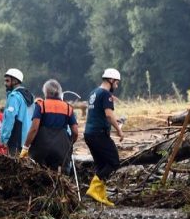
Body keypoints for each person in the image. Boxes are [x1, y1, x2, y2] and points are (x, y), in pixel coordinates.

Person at [83, 69, 124, 206]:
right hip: (99, 134)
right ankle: (93, 189)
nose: (116, 86)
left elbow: (99, 114)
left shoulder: (93, 93)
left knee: (102, 165)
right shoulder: (106, 94)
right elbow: (108, 114)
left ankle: (101, 196)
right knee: (114, 162)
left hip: (89, 133)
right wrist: (119, 130)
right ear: (111, 80)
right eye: (116, 83)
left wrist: (115, 121)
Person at [21, 79, 78, 171]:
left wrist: (25, 147)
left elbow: (34, 129)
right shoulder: (68, 108)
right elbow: (75, 132)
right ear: (59, 92)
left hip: (41, 149)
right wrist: (69, 144)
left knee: (40, 174)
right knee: (60, 175)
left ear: (46, 92)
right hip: (61, 149)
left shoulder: (41, 106)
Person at [0, 68, 34, 155]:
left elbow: (9, 118)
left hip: (16, 140)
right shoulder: (30, 96)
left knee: (14, 166)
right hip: (28, 140)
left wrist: (4, 139)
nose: (5, 84)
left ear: (15, 81)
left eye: (7, 81)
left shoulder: (14, 96)